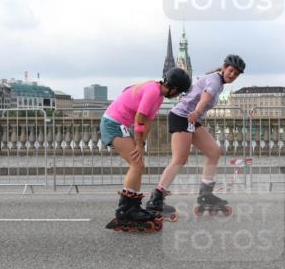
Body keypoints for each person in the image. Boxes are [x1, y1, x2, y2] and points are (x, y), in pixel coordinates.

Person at [147, 54, 245, 218]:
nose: (232, 75)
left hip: (191, 118)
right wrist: (198, 112)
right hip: (182, 116)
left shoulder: (218, 81)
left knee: (214, 152)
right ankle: (156, 198)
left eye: (236, 74)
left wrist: (196, 114)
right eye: (231, 70)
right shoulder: (214, 80)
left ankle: (205, 194)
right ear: (224, 67)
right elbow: (205, 97)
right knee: (179, 159)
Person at [101, 67, 192, 232]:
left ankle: (131, 207)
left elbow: (148, 121)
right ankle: (126, 210)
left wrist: (142, 144)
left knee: (138, 164)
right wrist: (137, 144)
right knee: (137, 164)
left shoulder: (158, 95)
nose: (178, 96)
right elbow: (139, 118)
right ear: (174, 88)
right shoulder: (152, 91)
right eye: (179, 93)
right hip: (113, 124)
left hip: (118, 124)